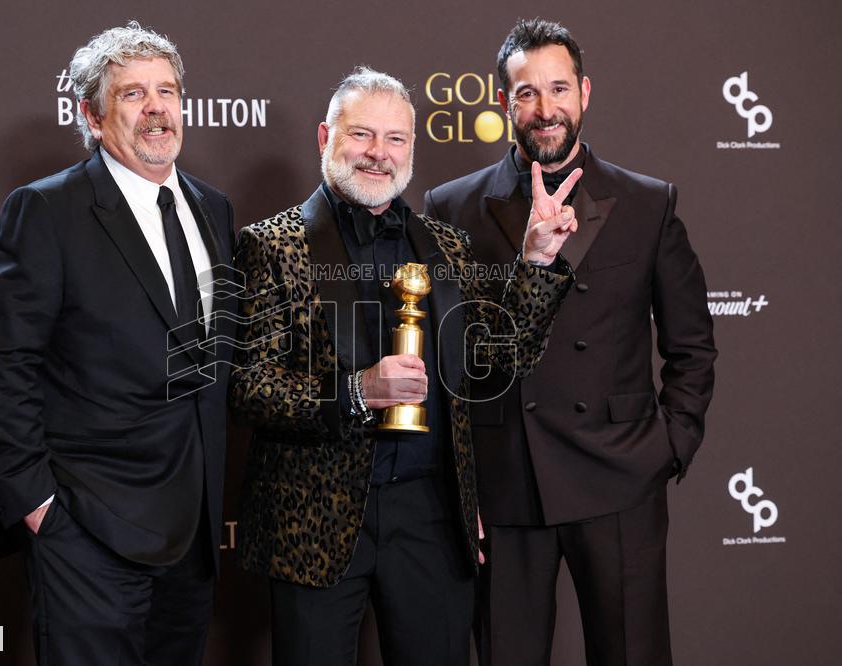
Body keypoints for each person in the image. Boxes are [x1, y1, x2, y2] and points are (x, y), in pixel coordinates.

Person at [230, 66, 576, 666]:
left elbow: (494, 366)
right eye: (362, 134)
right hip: (316, 520)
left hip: (431, 515)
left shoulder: (446, 245)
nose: (377, 154)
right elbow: (249, 387)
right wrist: (357, 391)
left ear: (412, 149)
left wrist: (537, 263)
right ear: (324, 137)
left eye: (395, 139)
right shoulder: (271, 243)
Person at [424, 18, 717, 666]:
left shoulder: (648, 203)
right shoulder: (453, 208)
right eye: (527, 92)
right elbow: (451, 361)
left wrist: (670, 444)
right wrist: (463, 485)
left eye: (559, 89)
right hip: (508, 486)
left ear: (585, 92)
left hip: (618, 478)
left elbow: (692, 344)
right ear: (504, 103)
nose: (545, 108)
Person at [0, 21, 235, 666]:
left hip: (192, 532)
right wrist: (38, 506)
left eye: (166, 91)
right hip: (87, 528)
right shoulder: (47, 210)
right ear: (90, 114)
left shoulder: (212, 208)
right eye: (133, 95)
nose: (156, 109)